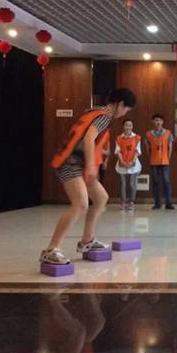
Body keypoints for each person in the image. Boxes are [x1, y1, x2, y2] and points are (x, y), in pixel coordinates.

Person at [41, 88, 136, 265]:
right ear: (121, 104)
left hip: (79, 164)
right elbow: (89, 138)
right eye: (126, 110)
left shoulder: (95, 111)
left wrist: (90, 164)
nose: (124, 114)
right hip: (69, 163)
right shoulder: (104, 116)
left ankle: (87, 241)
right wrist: (91, 166)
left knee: (101, 198)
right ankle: (51, 250)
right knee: (81, 204)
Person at [145, 114, 175, 210]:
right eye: (156, 120)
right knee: (155, 182)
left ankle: (168, 203)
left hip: (165, 162)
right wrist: (150, 158)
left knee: (166, 181)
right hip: (153, 162)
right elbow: (147, 148)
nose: (158, 122)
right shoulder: (148, 134)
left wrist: (167, 159)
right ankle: (157, 203)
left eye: (160, 120)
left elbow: (170, 147)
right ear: (153, 121)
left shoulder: (168, 133)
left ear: (163, 122)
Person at [115, 119, 142, 212]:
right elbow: (118, 151)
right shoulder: (119, 138)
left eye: (130, 125)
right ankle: (123, 202)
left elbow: (137, 151)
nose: (128, 127)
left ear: (132, 126)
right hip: (122, 163)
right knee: (123, 184)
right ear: (123, 126)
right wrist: (122, 161)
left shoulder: (137, 137)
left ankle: (131, 202)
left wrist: (132, 161)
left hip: (134, 164)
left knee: (132, 183)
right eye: (126, 125)